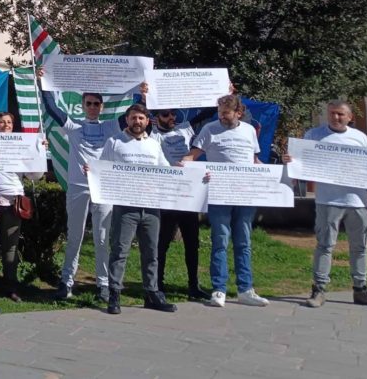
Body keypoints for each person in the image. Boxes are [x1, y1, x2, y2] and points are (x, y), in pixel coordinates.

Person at [284, 101, 367, 309]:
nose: (335, 117)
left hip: (357, 200)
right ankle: (319, 289)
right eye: (332, 113)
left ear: (350, 117)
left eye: (340, 114)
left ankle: (361, 289)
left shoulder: (359, 137)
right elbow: (301, 161)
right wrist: (291, 161)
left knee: (360, 247)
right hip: (328, 200)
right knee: (324, 246)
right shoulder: (314, 135)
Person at [185, 94, 269, 308]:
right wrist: (182, 164)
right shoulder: (209, 129)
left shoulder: (249, 130)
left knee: (244, 242)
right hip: (219, 194)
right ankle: (219, 290)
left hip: (245, 194)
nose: (221, 116)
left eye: (226, 113)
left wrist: (277, 175)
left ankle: (245, 290)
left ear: (238, 113)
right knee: (220, 241)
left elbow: (254, 160)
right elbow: (194, 155)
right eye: (219, 112)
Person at [94, 103, 177, 315]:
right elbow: (102, 170)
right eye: (133, 117)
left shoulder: (154, 145)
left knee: (151, 252)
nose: (137, 121)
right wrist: (91, 171)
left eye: (141, 118)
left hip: (151, 208)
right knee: (120, 251)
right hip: (125, 207)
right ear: (127, 119)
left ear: (147, 121)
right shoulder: (115, 142)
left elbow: (166, 171)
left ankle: (151, 294)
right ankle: (114, 294)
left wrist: (191, 174)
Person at [40, 87, 120, 302]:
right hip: (78, 186)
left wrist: (144, 94)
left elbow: (135, 114)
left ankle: (103, 284)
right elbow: (52, 108)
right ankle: (66, 282)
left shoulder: (111, 126)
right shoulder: (74, 126)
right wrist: (43, 85)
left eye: (96, 104)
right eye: (89, 103)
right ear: (83, 106)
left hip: (103, 188)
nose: (92, 107)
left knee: (102, 238)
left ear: (102, 107)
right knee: (75, 236)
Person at [0, 112, 42, 302]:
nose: (6, 125)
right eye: (1, 122)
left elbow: (35, 176)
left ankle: (11, 287)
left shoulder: (21, 146)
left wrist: (39, 153)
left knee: (11, 247)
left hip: (14, 202)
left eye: (9, 122)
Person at [151, 108, 208, 300]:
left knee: (192, 243)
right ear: (156, 118)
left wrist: (221, 95)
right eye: (166, 114)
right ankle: (158, 285)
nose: (171, 117)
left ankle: (193, 286)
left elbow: (205, 114)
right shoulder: (153, 134)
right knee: (162, 243)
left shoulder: (183, 129)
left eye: (173, 114)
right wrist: (144, 99)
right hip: (167, 195)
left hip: (188, 195)